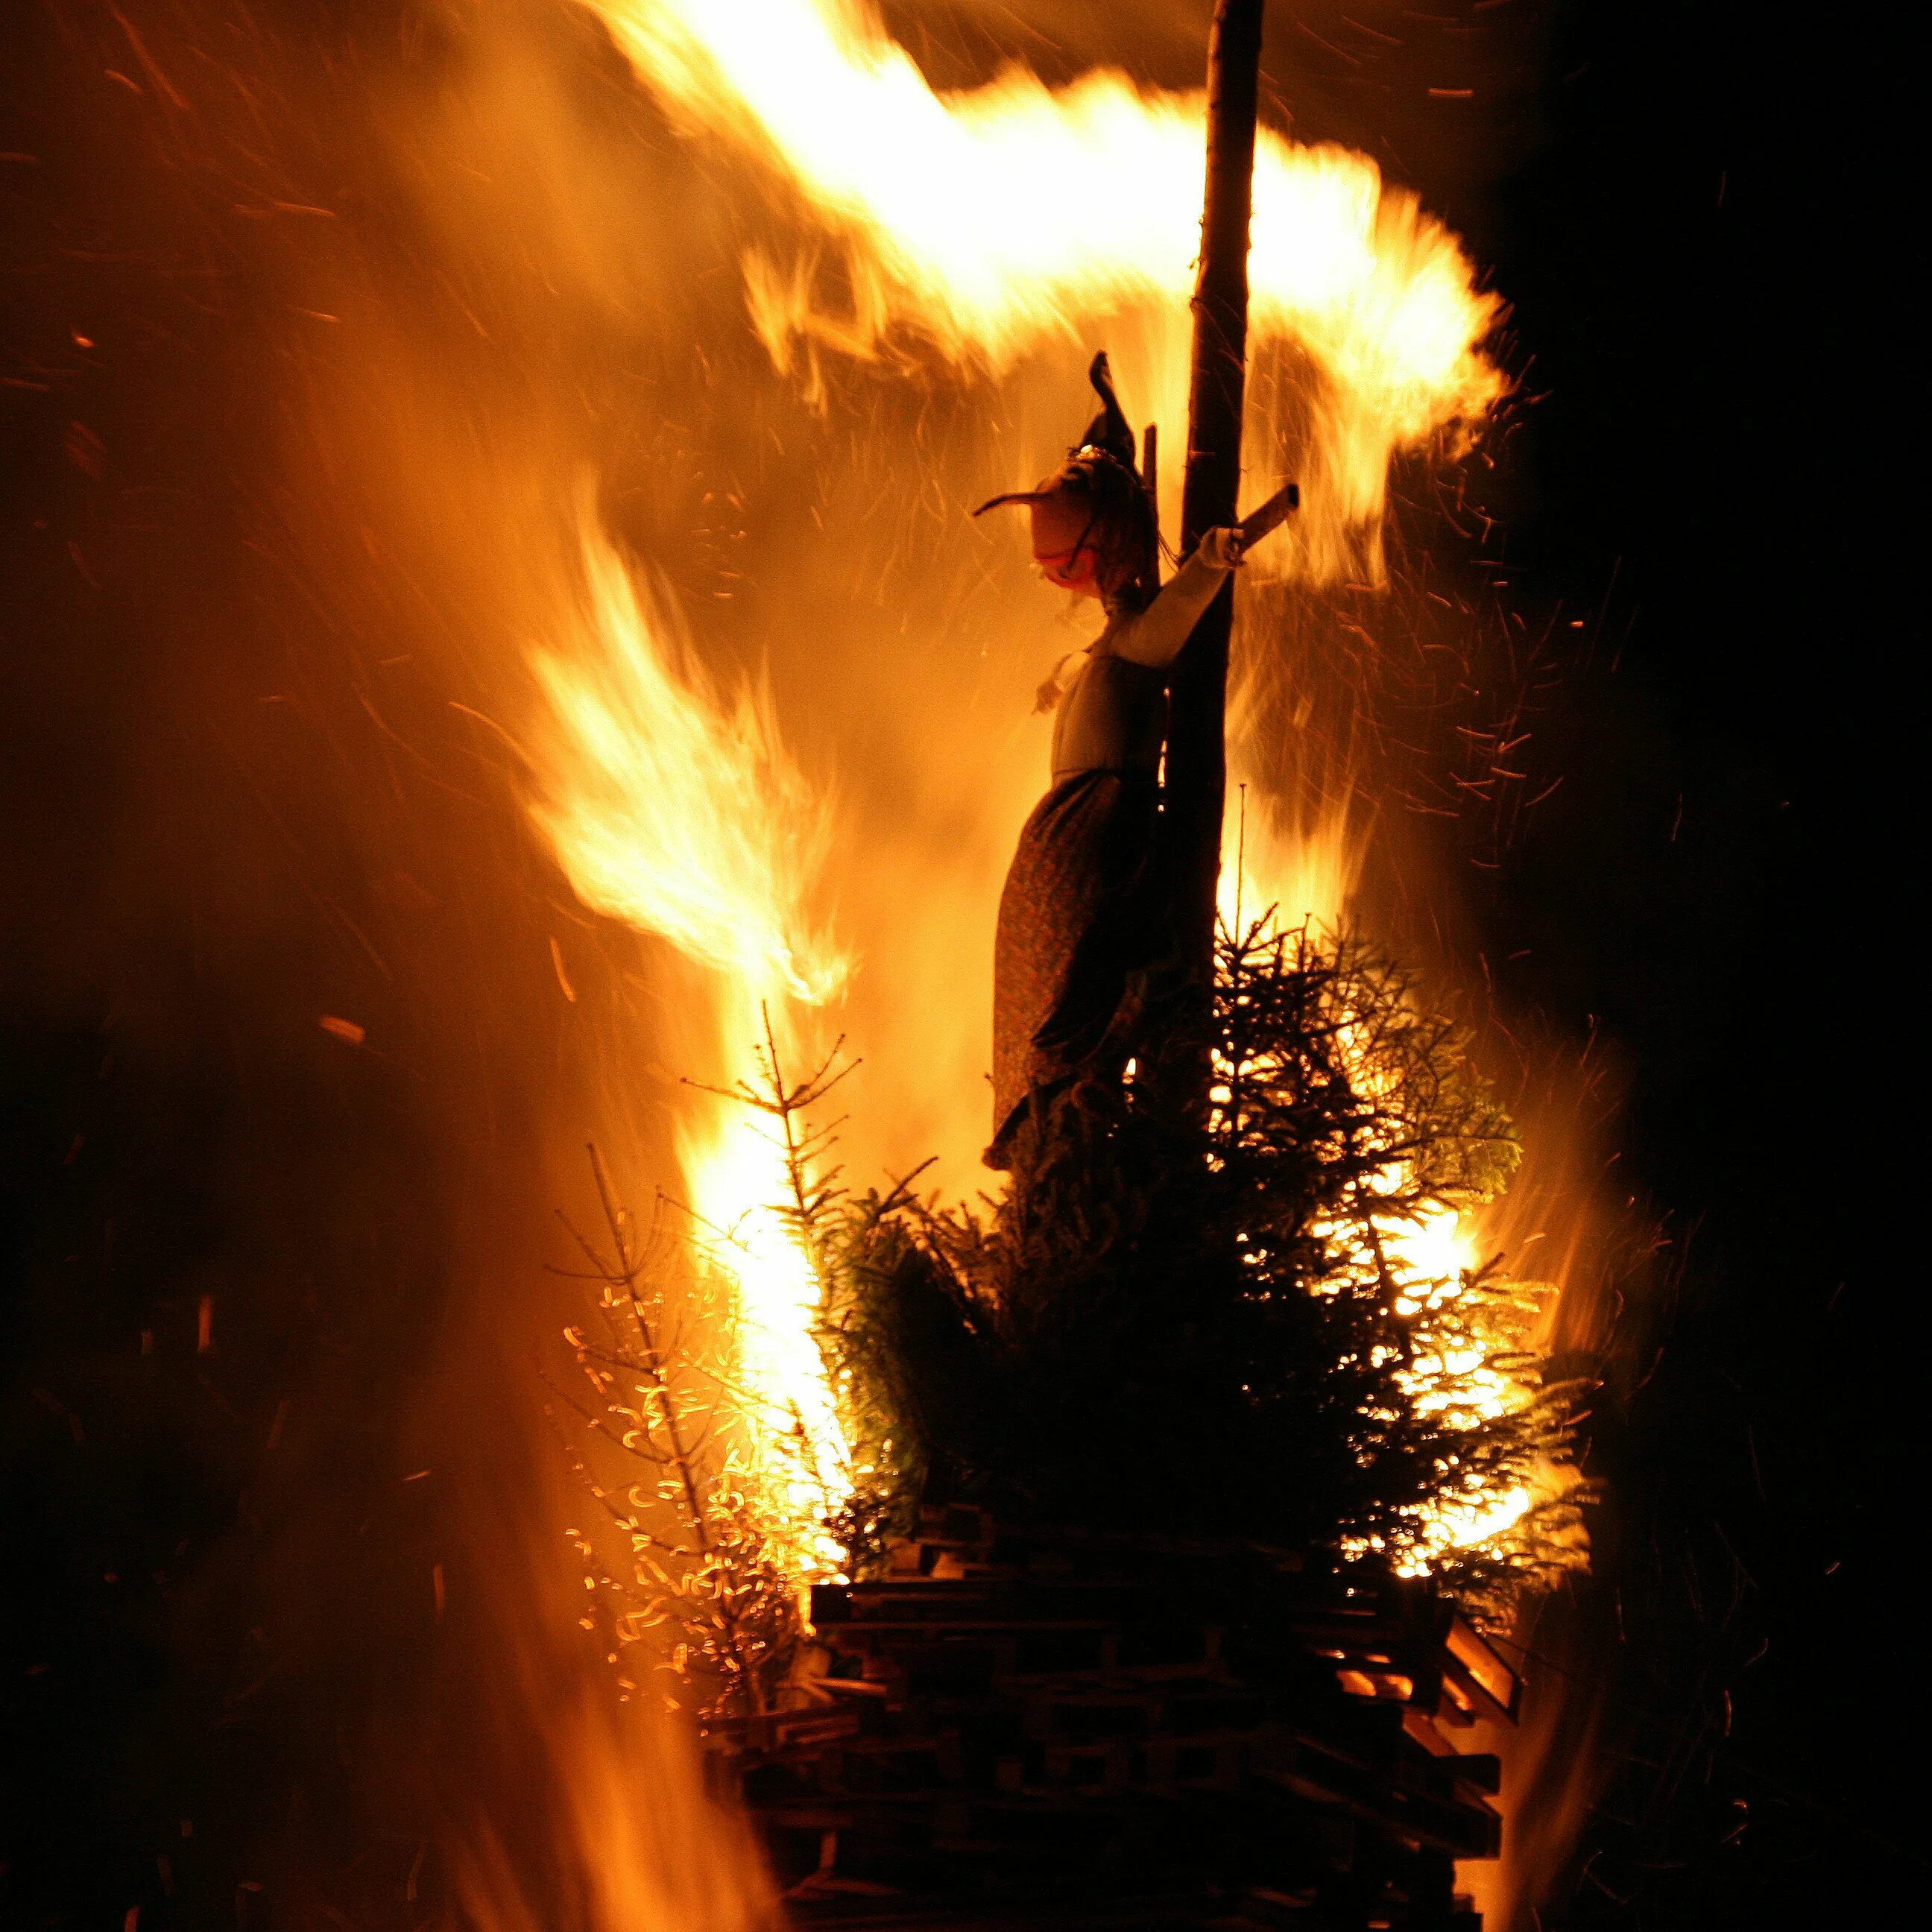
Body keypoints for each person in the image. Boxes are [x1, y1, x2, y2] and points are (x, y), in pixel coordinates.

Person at [975, 353, 1246, 1169]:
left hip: (1076, 846)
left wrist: (1206, 567)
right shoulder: (1116, 648)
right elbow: (1155, 634)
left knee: (1071, 1021)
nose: (1053, 574)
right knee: (1067, 1023)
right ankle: (1072, 1161)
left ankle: (1077, 1156)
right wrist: (1205, 568)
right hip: (1075, 849)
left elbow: (1159, 632)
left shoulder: (1124, 644)